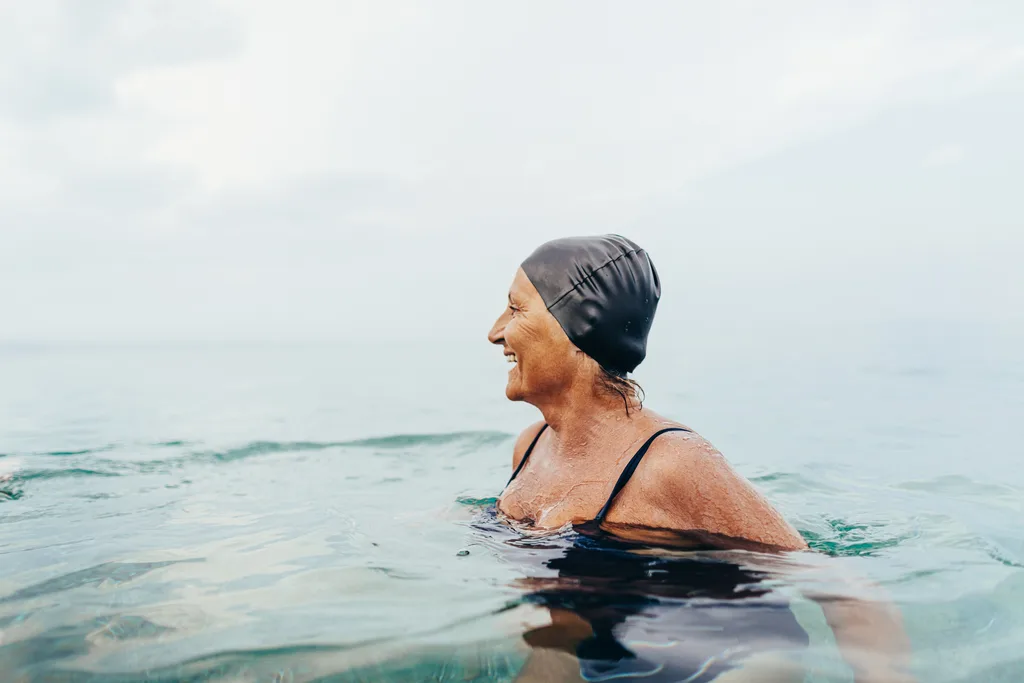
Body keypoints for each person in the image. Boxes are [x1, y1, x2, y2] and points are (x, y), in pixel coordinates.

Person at [486, 235, 914, 682]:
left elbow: (834, 582)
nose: (496, 331)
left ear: (578, 325)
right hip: (601, 644)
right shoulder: (532, 446)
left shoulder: (669, 464)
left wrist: (886, 675)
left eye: (516, 310)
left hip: (727, 658)